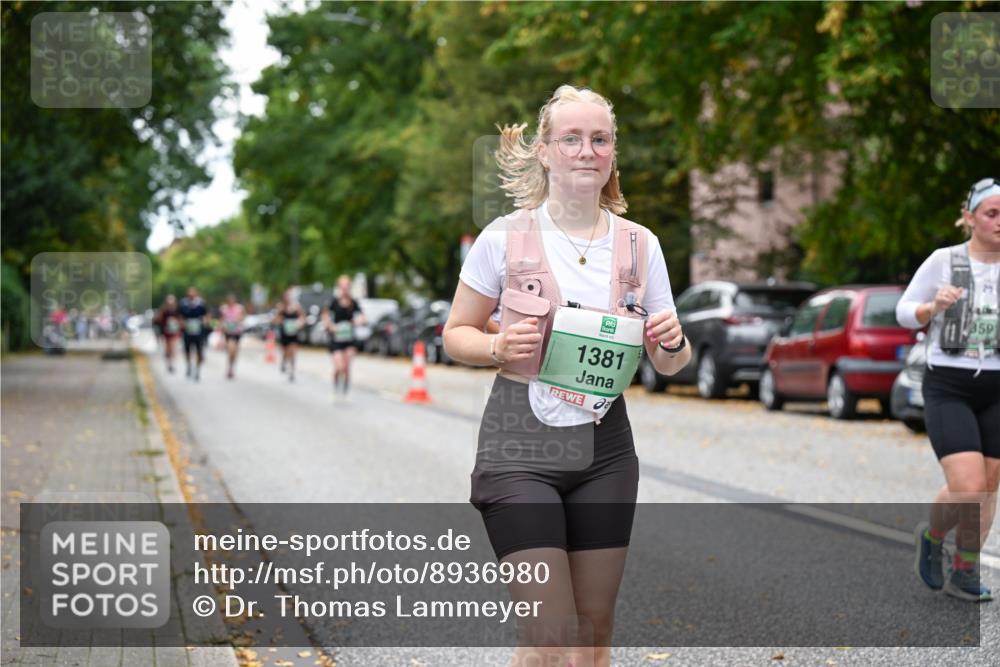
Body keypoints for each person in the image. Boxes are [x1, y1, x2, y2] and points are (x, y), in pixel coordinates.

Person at [442, 85, 692, 667]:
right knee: (549, 637)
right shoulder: (503, 237)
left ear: (612, 154)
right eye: (571, 138)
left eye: (599, 139)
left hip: (606, 449)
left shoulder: (640, 245)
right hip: (518, 447)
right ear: (545, 152)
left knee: (593, 630)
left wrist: (673, 343)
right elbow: (456, 333)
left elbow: (670, 361)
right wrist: (497, 345)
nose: (587, 151)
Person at [898, 177, 1000, 603]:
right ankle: (934, 536)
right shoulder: (945, 260)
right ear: (969, 218)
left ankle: (965, 569)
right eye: (992, 213)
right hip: (950, 384)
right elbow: (904, 312)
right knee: (969, 486)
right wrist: (932, 306)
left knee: (988, 486)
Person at [323, 275, 367, 401]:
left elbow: (364, 317)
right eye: (342, 286)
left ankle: (345, 392)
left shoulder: (353, 303)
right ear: (339, 287)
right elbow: (325, 315)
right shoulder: (334, 302)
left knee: (347, 368)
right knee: (339, 367)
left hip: (349, 339)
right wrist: (330, 325)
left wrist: (359, 321)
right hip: (336, 339)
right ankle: (335, 389)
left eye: (347, 286)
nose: (345, 289)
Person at [273, 289, 305, 382]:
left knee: (293, 351)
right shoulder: (280, 307)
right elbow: (276, 319)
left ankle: (292, 371)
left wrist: (299, 323)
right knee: (285, 351)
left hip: (293, 333)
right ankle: (284, 361)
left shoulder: (296, 307)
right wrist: (281, 321)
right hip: (284, 333)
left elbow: (302, 317)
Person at [179, 287, 209, 381]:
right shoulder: (183, 303)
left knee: (199, 350)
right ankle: (189, 365)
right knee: (187, 350)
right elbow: (179, 315)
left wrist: (205, 321)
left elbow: (206, 314)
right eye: (189, 294)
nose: (191, 295)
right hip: (187, 330)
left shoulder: (201, 303)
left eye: (193, 293)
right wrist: (182, 322)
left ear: (196, 293)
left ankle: (197, 370)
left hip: (198, 330)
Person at [219, 293, 246, 380]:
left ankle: (231, 367)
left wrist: (238, 320)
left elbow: (242, 317)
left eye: (232, 300)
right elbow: (222, 320)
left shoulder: (239, 308)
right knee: (230, 350)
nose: (231, 302)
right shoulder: (224, 308)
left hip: (237, 332)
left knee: (235, 352)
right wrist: (222, 329)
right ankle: (229, 368)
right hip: (228, 333)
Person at [154, 295, 182, 373]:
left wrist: (176, 322)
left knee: (173, 347)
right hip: (166, 331)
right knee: (167, 348)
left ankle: (172, 363)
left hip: (174, 331)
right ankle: (168, 362)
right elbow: (158, 320)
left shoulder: (177, 310)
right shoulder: (163, 310)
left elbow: (180, 319)